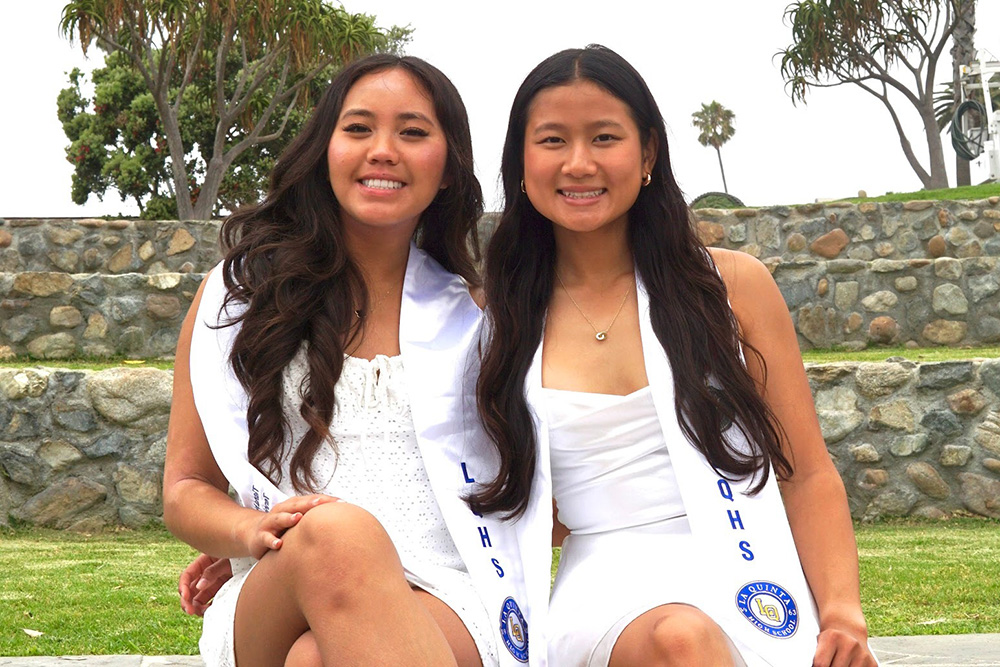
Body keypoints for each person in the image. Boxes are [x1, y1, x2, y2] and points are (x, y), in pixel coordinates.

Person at [473, 45, 879, 667]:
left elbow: (806, 471)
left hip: (752, 571)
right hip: (608, 590)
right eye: (553, 140)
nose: (579, 163)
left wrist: (842, 613)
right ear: (521, 164)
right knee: (681, 639)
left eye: (604, 137)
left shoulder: (732, 288)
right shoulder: (495, 319)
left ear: (648, 155)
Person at [163, 53, 549, 667]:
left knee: (317, 659)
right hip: (280, 582)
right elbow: (186, 488)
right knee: (336, 532)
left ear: (449, 168)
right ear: (325, 149)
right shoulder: (237, 306)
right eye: (359, 128)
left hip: (448, 591)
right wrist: (248, 531)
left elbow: (541, 489)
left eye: (414, 132)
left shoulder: (483, 322)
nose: (383, 150)